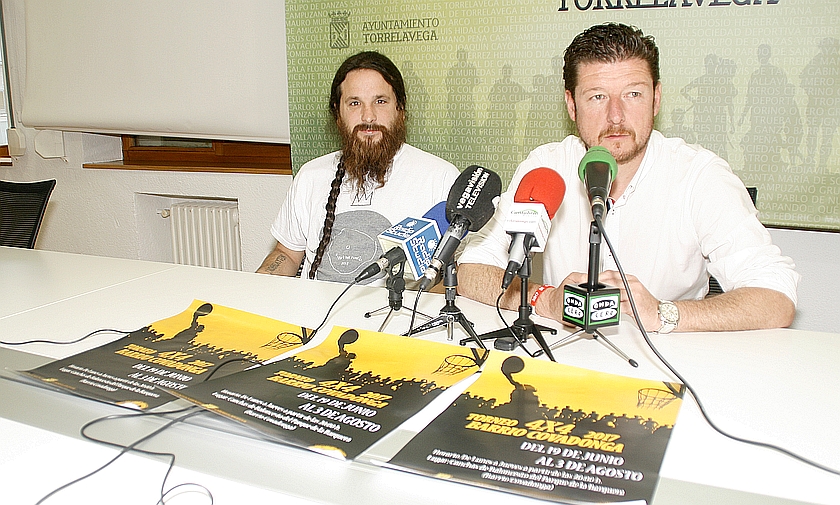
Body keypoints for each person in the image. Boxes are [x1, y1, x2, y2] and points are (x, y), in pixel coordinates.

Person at [457, 23, 799, 333]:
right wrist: (543, 299)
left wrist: (664, 313)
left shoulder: (700, 175)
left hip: (672, 362)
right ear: (571, 105)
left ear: (656, 99)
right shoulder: (546, 166)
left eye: (633, 94)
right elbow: (472, 270)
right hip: (568, 359)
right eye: (597, 97)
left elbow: (776, 297)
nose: (616, 115)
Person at [257, 51, 459, 283]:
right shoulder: (310, 176)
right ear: (338, 114)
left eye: (380, 101)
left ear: (400, 110)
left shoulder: (440, 178)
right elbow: (286, 254)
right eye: (354, 103)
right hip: (316, 317)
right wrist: (258, 286)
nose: (368, 116)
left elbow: (455, 276)